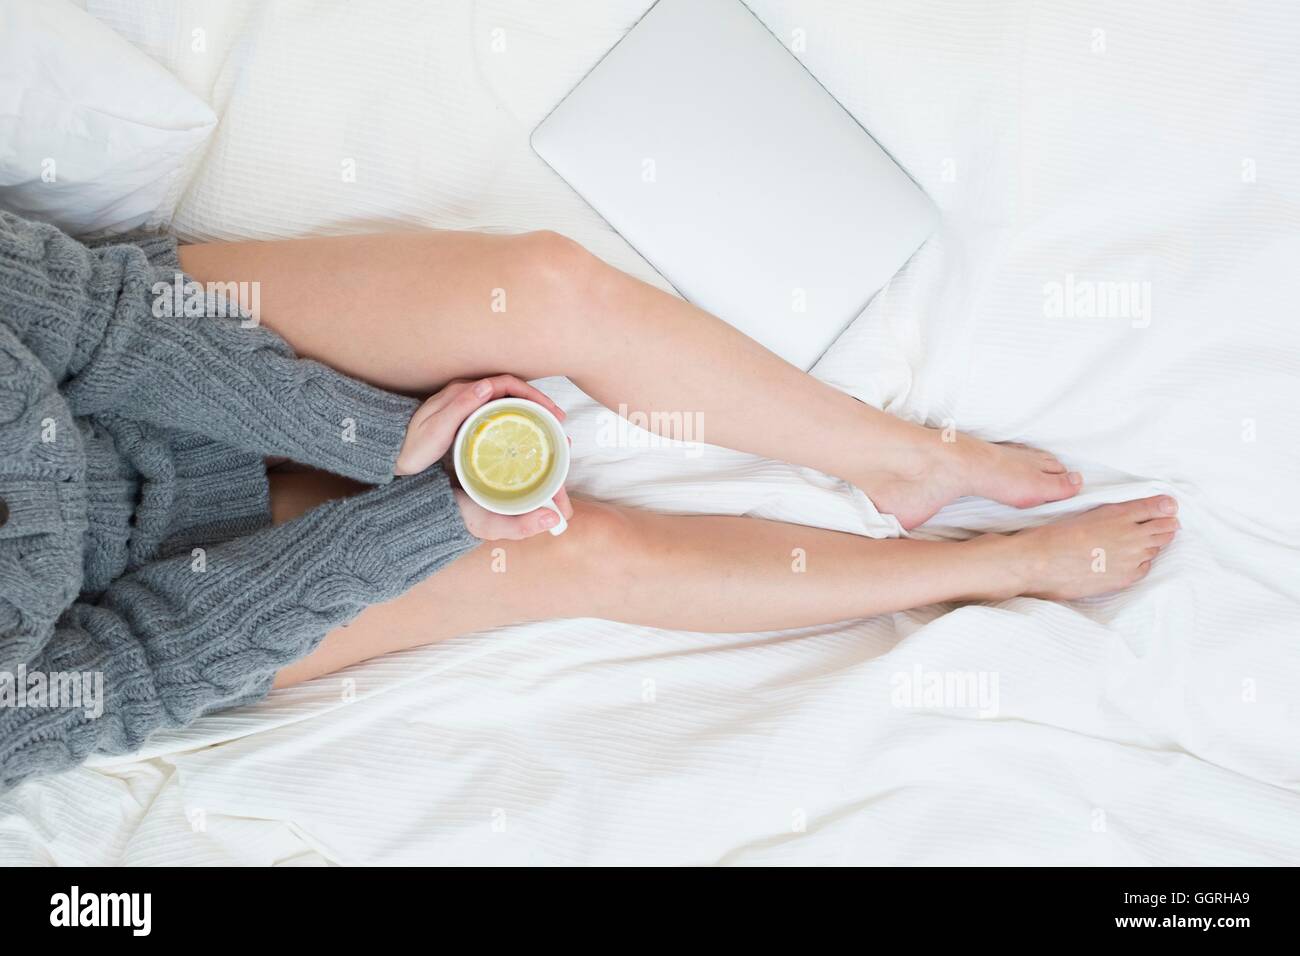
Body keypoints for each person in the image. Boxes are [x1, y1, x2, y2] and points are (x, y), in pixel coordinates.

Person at [0, 214, 1179, 788]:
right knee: (570, 548)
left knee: (542, 287)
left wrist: (363, 431)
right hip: (152, 589)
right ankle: (980, 568)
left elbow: (91, 323)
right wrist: (426, 514)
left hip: (146, 354)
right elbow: (136, 670)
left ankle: (902, 458)